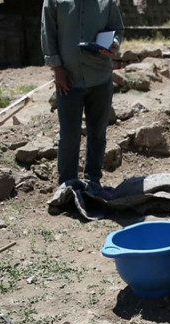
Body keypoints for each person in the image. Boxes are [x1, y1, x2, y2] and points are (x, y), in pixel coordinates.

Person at [41, 0, 124, 187]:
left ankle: (93, 181)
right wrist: (56, 68)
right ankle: (67, 185)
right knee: (69, 135)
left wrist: (114, 44)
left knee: (98, 132)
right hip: (68, 80)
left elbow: (117, 29)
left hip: (100, 78)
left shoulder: (107, 2)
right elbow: (48, 33)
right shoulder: (54, 2)